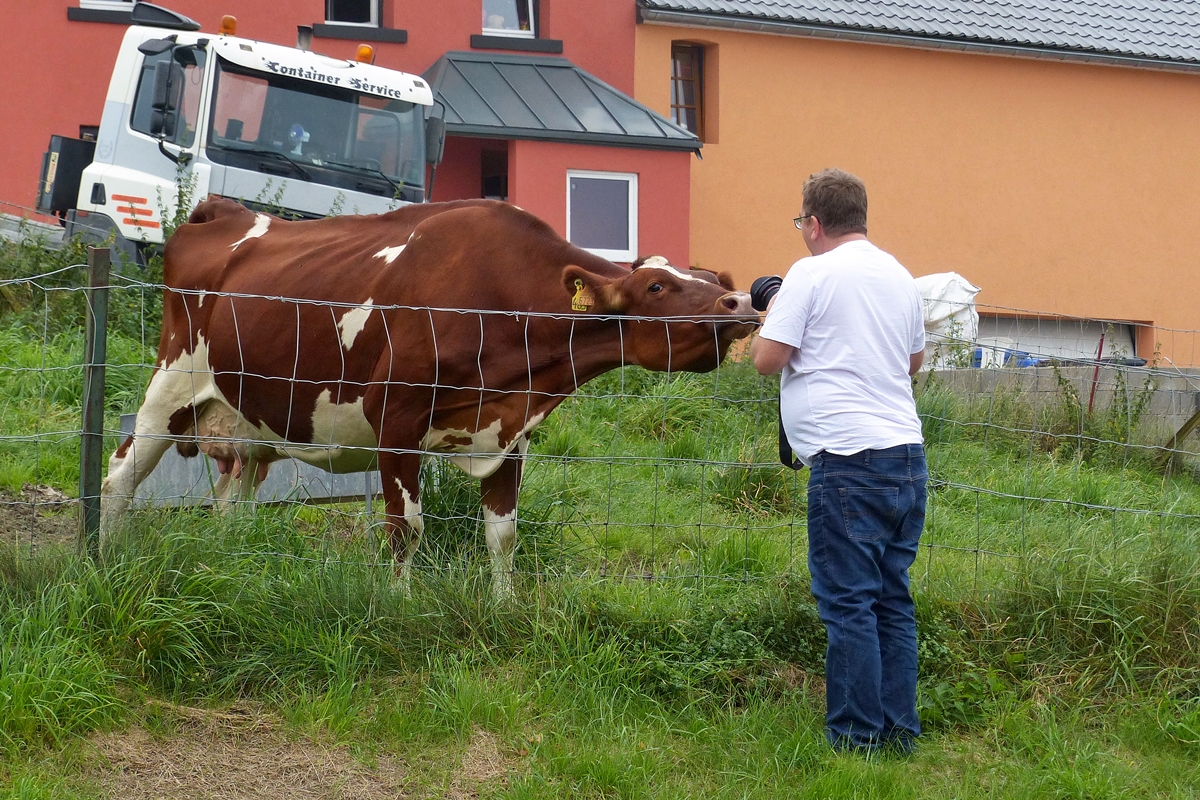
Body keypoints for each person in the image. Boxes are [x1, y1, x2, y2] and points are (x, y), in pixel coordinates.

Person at [751, 168, 928, 754]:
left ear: (815, 223)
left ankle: (856, 738)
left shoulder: (811, 272)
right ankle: (899, 732)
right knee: (890, 598)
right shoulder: (900, 276)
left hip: (847, 459)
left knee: (848, 602)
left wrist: (774, 315)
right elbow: (912, 363)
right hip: (905, 455)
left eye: (801, 221)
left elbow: (767, 359)